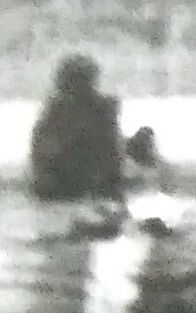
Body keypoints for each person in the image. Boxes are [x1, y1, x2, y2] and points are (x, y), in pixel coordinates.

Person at [27, 54, 127, 203]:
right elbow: (44, 156)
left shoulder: (102, 110)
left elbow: (112, 154)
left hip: (96, 183)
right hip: (63, 184)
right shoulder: (56, 112)